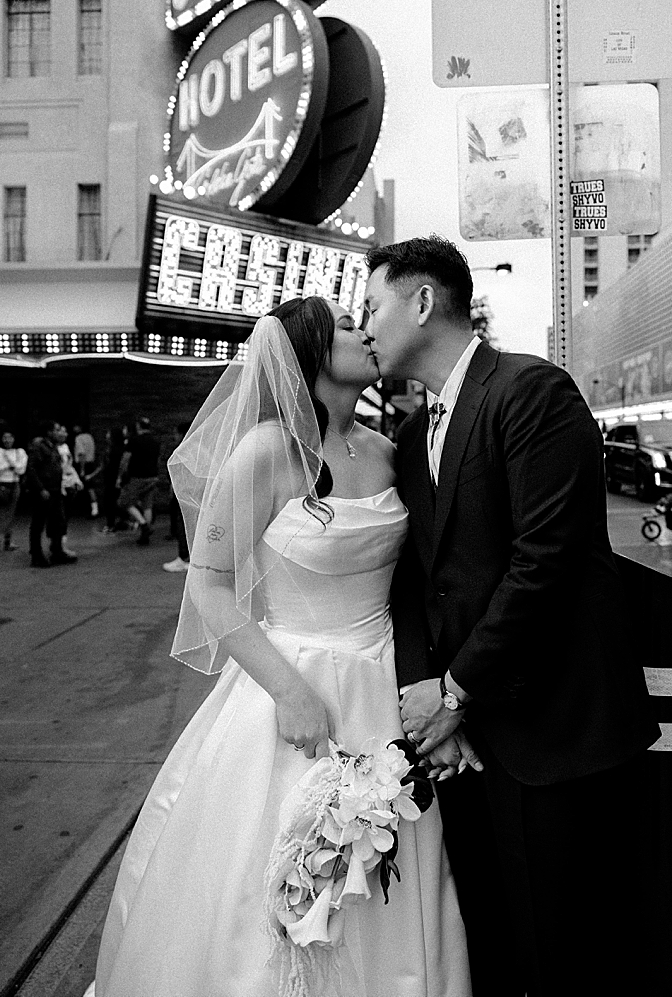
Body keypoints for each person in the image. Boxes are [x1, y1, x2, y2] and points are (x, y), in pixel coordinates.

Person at [92, 301, 471, 997]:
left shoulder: (389, 450)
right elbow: (209, 585)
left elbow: (417, 586)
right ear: (312, 353)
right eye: (347, 325)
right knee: (258, 874)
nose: (366, 331)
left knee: (395, 868)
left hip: (382, 689)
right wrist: (289, 691)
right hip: (290, 687)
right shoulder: (268, 451)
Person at [363, 235, 659, 996]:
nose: (364, 325)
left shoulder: (531, 392)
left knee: (567, 954)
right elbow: (417, 582)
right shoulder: (408, 436)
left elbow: (545, 563)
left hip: (555, 730)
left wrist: (453, 690)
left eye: (373, 305)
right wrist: (430, 702)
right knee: (489, 944)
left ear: (423, 301)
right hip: (464, 744)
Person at [25, 421, 77, 567]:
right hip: (45, 490)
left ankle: (57, 550)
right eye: (56, 430)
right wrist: (40, 489)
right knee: (38, 523)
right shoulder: (38, 446)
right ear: (49, 432)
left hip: (55, 490)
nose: (59, 432)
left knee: (58, 521)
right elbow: (31, 469)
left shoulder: (52, 446)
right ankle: (36, 555)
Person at [117, 417, 160, 546]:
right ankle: (145, 535)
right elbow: (157, 459)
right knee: (147, 505)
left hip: (137, 476)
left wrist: (120, 476)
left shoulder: (133, 440)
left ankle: (143, 525)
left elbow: (125, 459)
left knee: (124, 501)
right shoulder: (155, 441)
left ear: (138, 427)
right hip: (153, 476)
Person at [162, 421, 192, 573]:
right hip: (192, 493)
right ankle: (188, 557)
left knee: (183, 524)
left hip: (184, 493)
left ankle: (184, 557)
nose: (174, 436)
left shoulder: (184, 449)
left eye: (175, 433)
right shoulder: (197, 446)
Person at [0, 430, 27, 551]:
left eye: (9, 437)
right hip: (1, 483)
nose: (7, 440)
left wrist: (10, 464)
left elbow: (21, 470)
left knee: (10, 513)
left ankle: (7, 541)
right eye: (4, 437)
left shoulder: (19, 452)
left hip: (14, 483)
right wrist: (9, 466)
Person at [73, 425, 98, 517]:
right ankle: (94, 508)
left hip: (83, 464)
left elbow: (81, 453)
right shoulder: (89, 437)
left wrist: (82, 469)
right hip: (91, 462)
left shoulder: (79, 438)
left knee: (86, 486)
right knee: (90, 487)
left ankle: (93, 510)